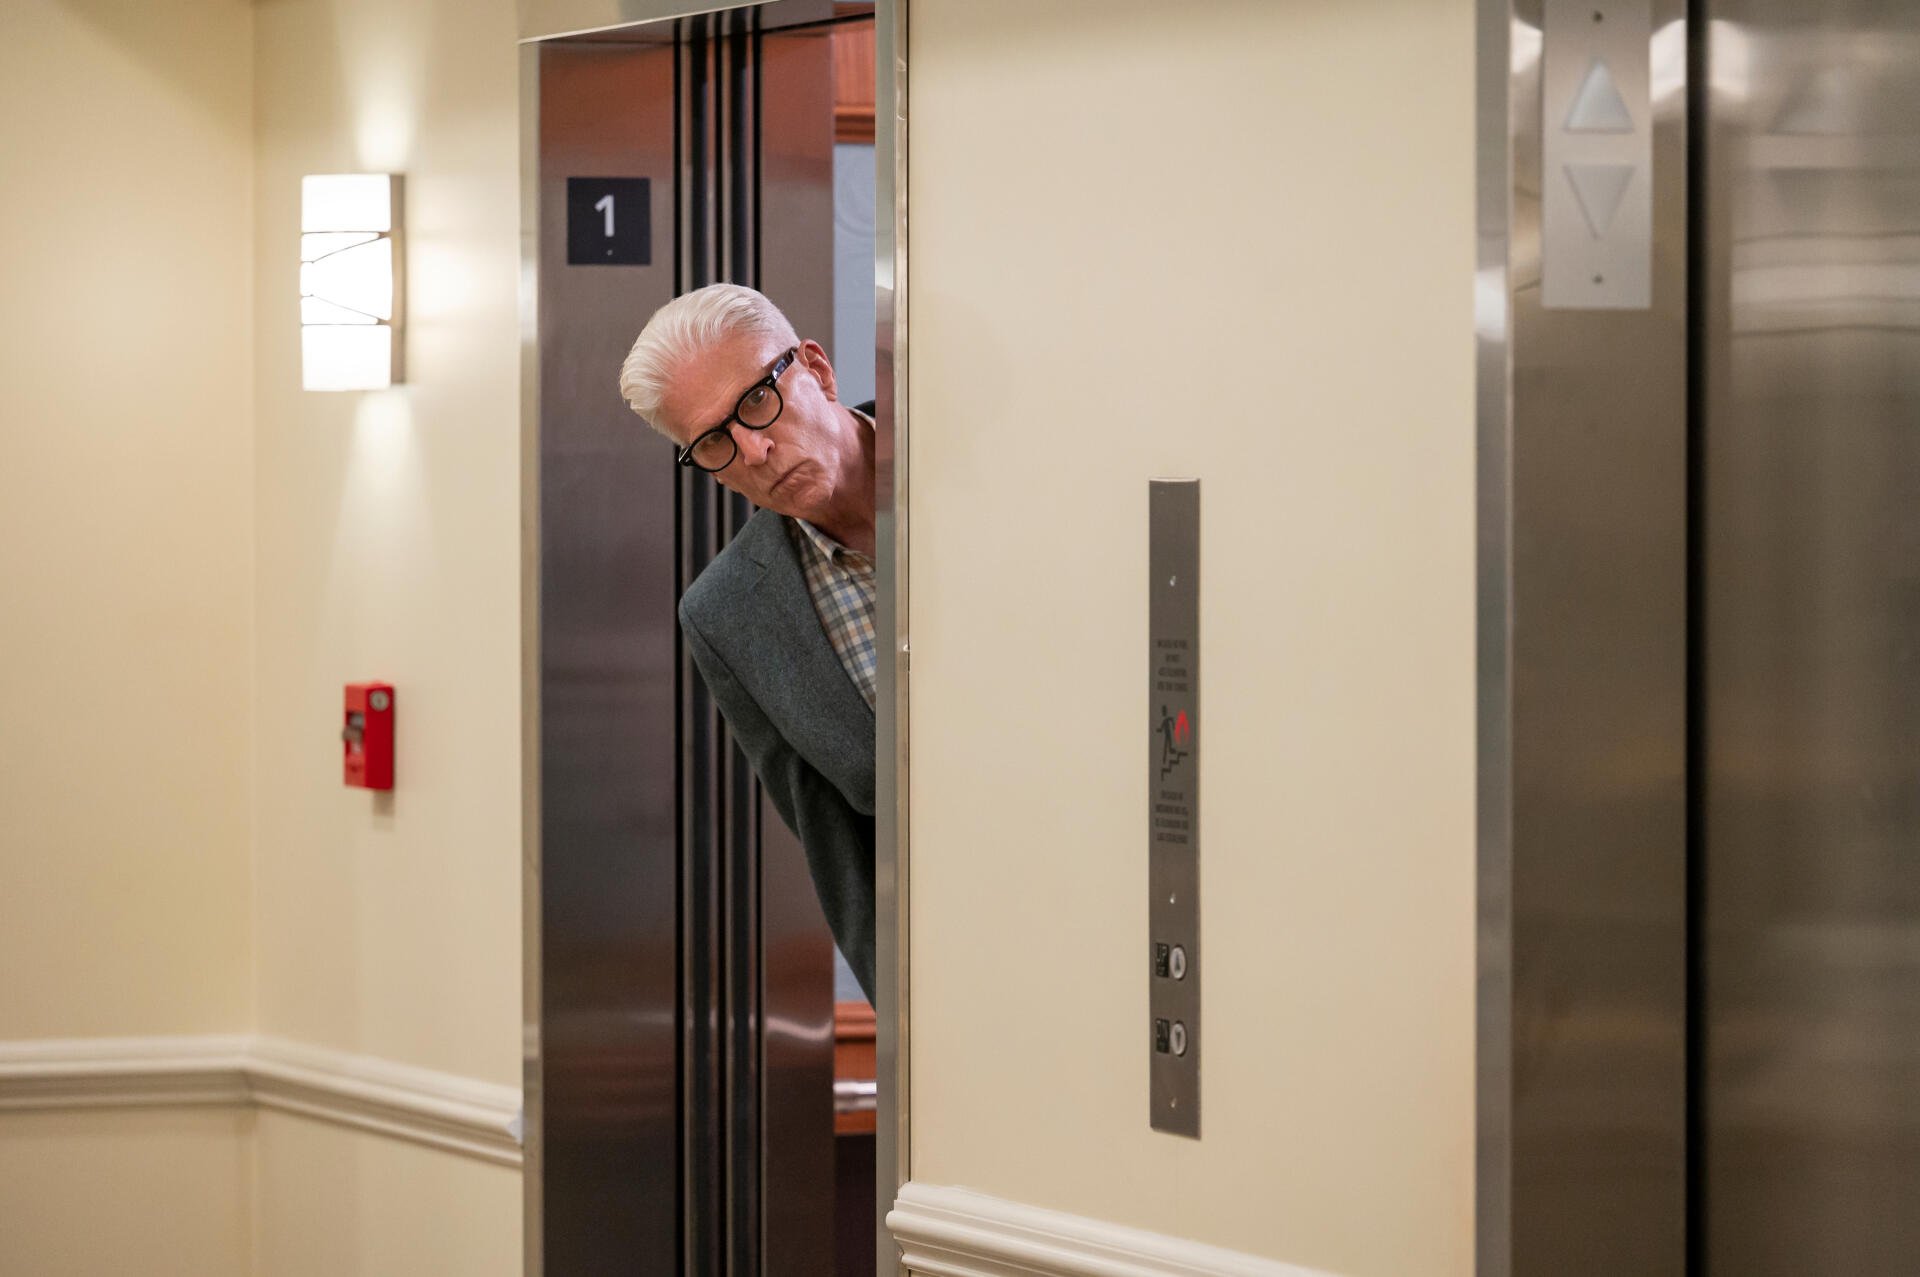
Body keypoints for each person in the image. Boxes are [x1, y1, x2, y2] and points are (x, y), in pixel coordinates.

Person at [618, 283, 878, 1002]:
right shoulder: (729, 616)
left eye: (758, 400)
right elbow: (837, 851)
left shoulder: (982, 465)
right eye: (712, 442)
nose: (754, 450)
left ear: (817, 370)